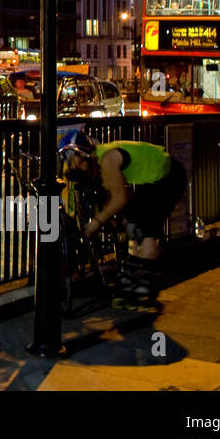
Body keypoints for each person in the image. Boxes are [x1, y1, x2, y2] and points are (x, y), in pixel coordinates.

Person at [58, 129, 188, 308]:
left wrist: (97, 222)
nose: (76, 168)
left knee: (144, 230)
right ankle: (135, 279)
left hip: (166, 177)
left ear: (85, 155)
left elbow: (120, 198)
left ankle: (144, 287)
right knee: (132, 223)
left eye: (76, 162)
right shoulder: (103, 156)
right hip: (155, 176)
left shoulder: (107, 160)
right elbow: (119, 194)